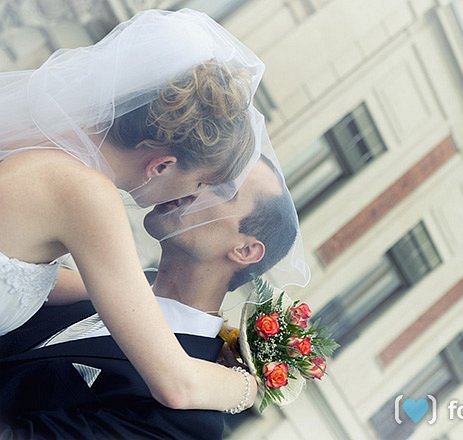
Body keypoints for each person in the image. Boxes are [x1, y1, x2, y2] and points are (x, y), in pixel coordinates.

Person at [0, 9, 308, 413]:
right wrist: (252, 386)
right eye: (202, 182)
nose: (195, 196)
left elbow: (37, 279)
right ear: (162, 165)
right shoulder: (89, 197)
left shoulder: (37, 138)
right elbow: (177, 385)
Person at [0, 155, 298, 438]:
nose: (195, 183)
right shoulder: (95, 284)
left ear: (245, 250)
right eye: (207, 173)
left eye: (223, 188)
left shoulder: (185, 421)